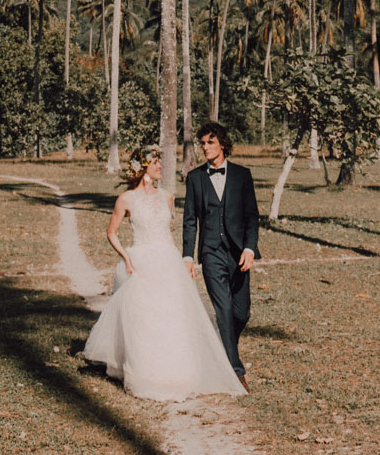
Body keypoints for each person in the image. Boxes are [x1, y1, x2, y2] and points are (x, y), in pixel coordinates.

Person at [84, 145, 244, 402]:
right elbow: (111, 232)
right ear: (143, 167)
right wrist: (125, 256)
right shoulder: (126, 199)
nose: (160, 166)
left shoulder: (166, 196)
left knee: (173, 314)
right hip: (141, 260)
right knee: (145, 317)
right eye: (156, 163)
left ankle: (179, 371)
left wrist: (181, 260)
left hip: (167, 259)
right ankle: (144, 372)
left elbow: (168, 231)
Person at [181, 122, 260, 389]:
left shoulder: (242, 175)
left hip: (239, 254)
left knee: (241, 313)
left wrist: (250, 249)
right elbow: (190, 220)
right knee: (224, 309)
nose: (205, 148)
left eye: (210, 143)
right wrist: (188, 256)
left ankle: (220, 346)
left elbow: (252, 217)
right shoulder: (195, 178)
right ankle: (236, 371)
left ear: (223, 144)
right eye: (202, 143)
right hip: (211, 252)